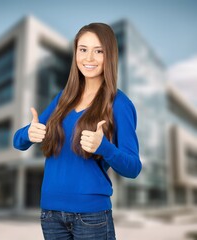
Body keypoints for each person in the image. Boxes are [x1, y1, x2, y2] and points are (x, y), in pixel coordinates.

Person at [13, 22, 142, 240]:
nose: (89, 58)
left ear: (109, 55)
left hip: (91, 217)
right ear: (75, 54)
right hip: (51, 215)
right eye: (83, 49)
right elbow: (19, 141)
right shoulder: (63, 98)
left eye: (98, 51)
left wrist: (105, 148)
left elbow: (133, 168)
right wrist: (28, 133)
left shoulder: (119, 104)